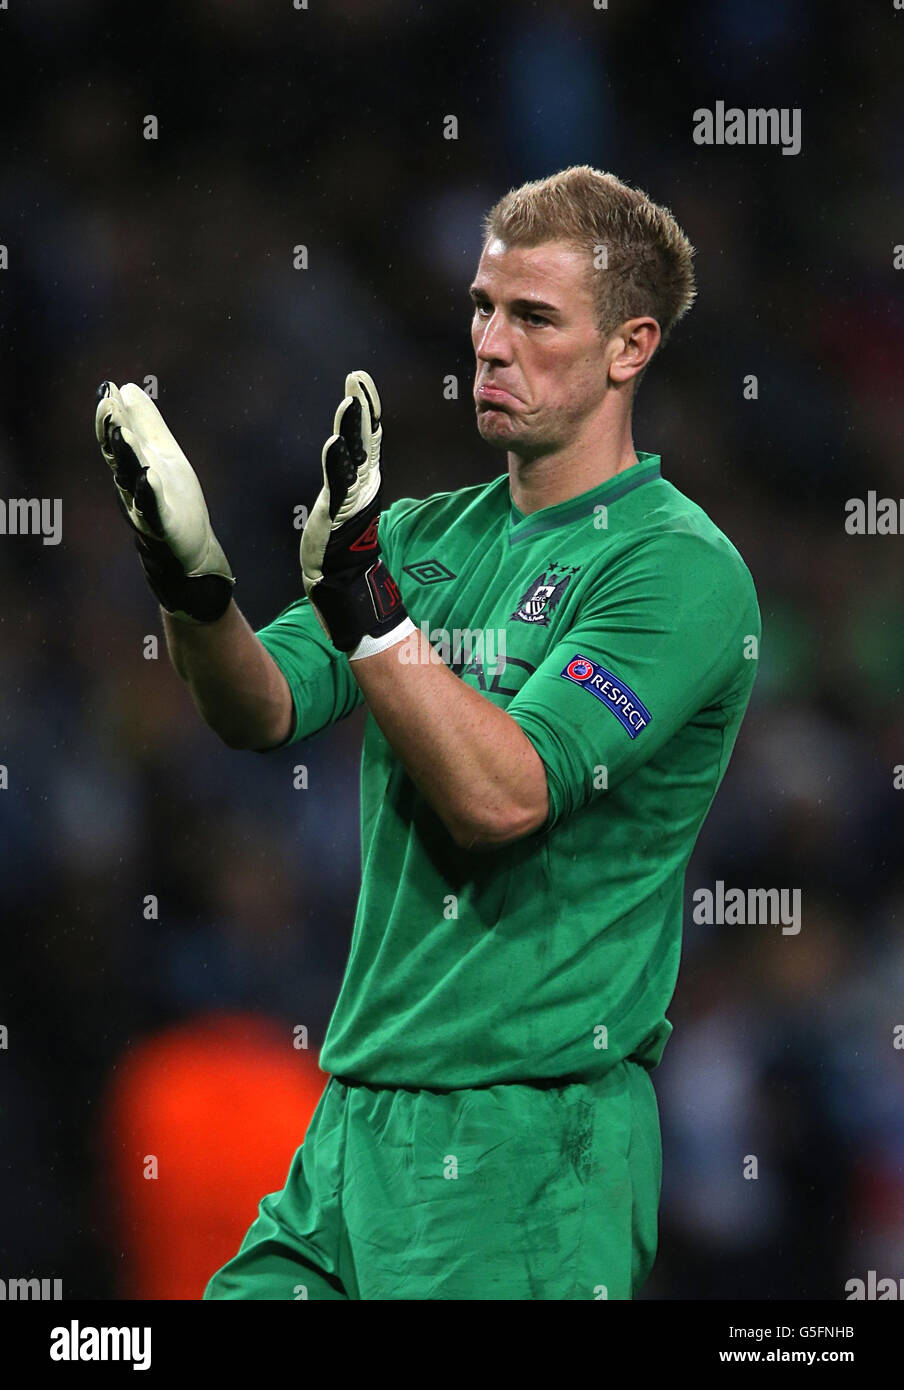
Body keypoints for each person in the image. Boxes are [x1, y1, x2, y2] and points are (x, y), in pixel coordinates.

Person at [95, 164, 760, 1300]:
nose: (490, 344)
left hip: (530, 1148)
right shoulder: (417, 536)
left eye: (534, 317)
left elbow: (502, 794)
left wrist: (367, 606)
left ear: (630, 348)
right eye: (482, 308)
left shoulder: (677, 570)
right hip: (353, 1124)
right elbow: (259, 707)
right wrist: (192, 581)